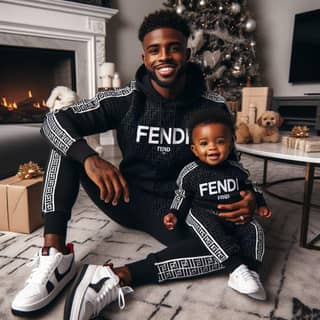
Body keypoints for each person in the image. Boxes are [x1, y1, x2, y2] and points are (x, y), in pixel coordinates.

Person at [12, 10, 257, 320]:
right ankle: (55, 254)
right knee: (65, 145)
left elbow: (231, 162)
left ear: (188, 53)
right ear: (144, 56)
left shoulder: (212, 106)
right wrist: (90, 157)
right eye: (154, 50)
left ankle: (114, 277)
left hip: (176, 209)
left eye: (174, 47)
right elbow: (53, 120)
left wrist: (248, 194)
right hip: (123, 195)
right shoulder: (127, 99)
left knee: (237, 245)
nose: (164, 56)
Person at [163, 108, 272, 300]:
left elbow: (251, 187)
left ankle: (252, 272)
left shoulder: (236, 169)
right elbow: (182, 195)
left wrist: (260, 204)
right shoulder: (190, 173)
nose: (212, 147)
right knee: (198, 217)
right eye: (204, 143)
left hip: (235, 216)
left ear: (230, 145)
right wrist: (173, 213)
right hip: (206, 214)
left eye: (220, 141)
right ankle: (236, 268)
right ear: (194, 149)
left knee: (255, 229)